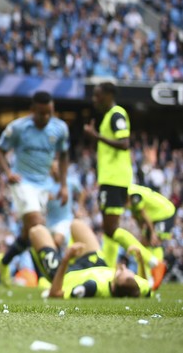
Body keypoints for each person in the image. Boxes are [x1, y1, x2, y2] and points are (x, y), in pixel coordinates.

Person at [0, 91, 70, 287]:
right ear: (32, 110)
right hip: (23, 182)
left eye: (49, 113)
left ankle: (4, 261)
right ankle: (45, 276)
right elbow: (1, 150)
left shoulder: (60, 128)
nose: (46, 118)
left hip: (43, 185)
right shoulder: (18, 127)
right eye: (42, 113)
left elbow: (63, 156)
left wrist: (63, 185)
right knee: (38, 225)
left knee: (30, 233)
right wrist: (8, 172)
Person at [82, 82, 152, 273]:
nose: (94, 100)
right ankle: (109, 269)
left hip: (115, 178)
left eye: (98, 95)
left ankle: (151, 261)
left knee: (111, 228)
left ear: (108, 94)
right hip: (111, 178)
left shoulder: (116, 114)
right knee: (109, 228)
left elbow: (124, 143)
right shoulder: (108, 117)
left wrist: (96, 136)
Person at [30, 219, 151, 299]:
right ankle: (56, 241)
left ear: (113, 285)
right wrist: (140, 260)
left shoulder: (92, 287)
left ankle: (54, 246)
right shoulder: (137, 285)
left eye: (120, 272)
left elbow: (55, 294)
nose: (122, 267)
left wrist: (66, 259)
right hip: (97, 263)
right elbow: (145, 285)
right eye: (128, 271)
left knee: (36, 231)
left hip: (67, 274)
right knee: (76, 224)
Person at [128, 183, 174, 290]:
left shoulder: (133, 194)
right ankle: (147, 276)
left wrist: (152, 232)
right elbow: (137, 217)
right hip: (153, 217)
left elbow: (143, 213)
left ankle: (157, 273)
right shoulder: (128, 197)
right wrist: (143, 232)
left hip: (164, 213)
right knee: (144, 243)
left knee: (155, 242)